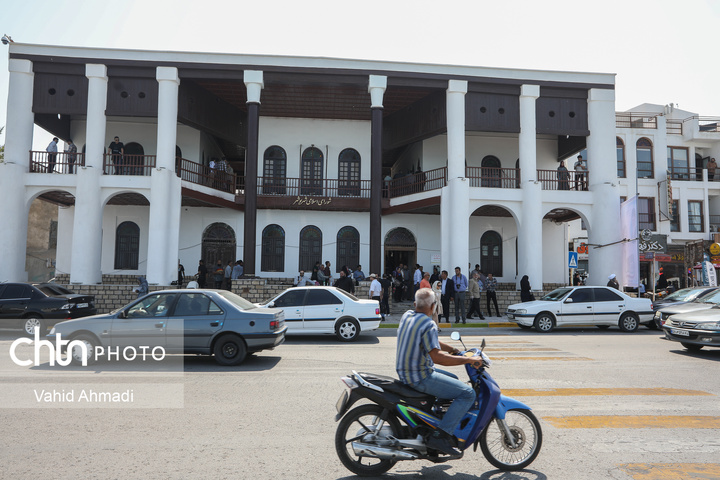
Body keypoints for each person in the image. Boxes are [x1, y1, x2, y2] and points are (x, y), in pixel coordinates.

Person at [395, 288, 482, 456]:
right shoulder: (429, 324)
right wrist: (468, 360)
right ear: (434, 307)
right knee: (467, 394)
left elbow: (432, 341)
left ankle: (432, 422)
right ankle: (441, 435)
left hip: (405, 373)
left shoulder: (407, 316)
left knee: (454, 379)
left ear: (415, 304)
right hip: (419, 377)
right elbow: (437, 358)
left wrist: (454, 350)